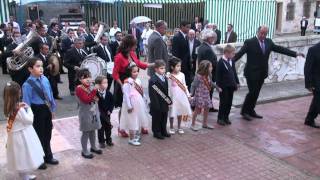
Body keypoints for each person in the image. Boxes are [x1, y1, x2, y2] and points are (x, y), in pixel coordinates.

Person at [234, 25, 304, 121]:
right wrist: (229, 61)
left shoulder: (269, 42)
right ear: (257, 32)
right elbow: (240, 53)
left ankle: (251, 110)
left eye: (265, 34)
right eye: (261, 33)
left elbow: (280, 49)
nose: (263, 35)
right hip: (251, 73)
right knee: (252, 92)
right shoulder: (250, 42)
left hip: (262, 73)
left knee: (256, 93)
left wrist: (295, 54)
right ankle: (244, 111)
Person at [112, 34, 153, 137]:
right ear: (128, 45)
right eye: (134, 45)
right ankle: (121, 128)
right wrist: (122, 85)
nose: (136, 47)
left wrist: (151, 65)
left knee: (137, 104)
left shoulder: (133, 53)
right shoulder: (119, 57)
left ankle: (141, 125)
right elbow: (115, 74)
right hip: (123, 82)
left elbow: (138, 63)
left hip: (133, 82)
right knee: (124, 106)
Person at [22, 57, 59, 170]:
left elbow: (50, 94)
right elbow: (26, 103)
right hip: (36, 111)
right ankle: (39, 159)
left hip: (46, 109)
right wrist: (28, 117)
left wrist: (52, 109)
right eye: (37, 66)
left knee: (48, 133)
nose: (41, 68)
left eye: (41, 66)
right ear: (30, 69)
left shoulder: (45, 79)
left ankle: (48, 156)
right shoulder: (27, 84)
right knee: (39, 136)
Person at [4, 81, 44, 180]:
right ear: (16, 94)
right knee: (25, 154)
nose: (21, 92)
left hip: (14, 135)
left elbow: (11, 121)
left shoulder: (9, 106)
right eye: (19, 91)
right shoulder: (19, 109)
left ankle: (24, 175)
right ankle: (25, 177)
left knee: (19, 156)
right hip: (23, 134)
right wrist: (29, 109)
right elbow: (29, 121)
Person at [75, 68, 103, 159]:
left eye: (89, 77)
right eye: (84, 77)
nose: (88, 79)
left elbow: (97, 97)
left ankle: (93, 147)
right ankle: (84, 150)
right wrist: (94, 90)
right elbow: (86, 100)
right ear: (80, 79)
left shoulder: (91, 86)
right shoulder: (79, 88)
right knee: (86, 132)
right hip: (85, 113)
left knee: (93, 130)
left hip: (93, 112)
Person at [120, 64, 150, 145]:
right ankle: (131, 139)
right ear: (129, 73)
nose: (136, 73)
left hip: (139, 103)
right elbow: (126, 95)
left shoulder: (138, 81)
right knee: (132, 120)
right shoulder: (127, 83)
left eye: (137, 71)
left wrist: (144, 97)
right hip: (132, 104)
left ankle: (136, 136)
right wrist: (129, 106)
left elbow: (140, 91)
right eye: (134, 72)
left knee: (138, 119)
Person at [190, 60, 220, 131]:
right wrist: (191, 93)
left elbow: (211, 82)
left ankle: (204, 123)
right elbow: (193, 85)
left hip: (206, 94)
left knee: (207, 108)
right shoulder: (198, 76)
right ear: (206, 68)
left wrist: (217, 87)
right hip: (199, 94)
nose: (212, 68)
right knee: (197, 110)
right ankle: (192, 124)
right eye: (210, 67)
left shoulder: (209, 75)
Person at [216, 44, 239, 126]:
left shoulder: (232, 61)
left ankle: (226, 117)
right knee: (223, 102)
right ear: (226, 53)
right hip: (223, 86)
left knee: (229, 102)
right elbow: (218, 75)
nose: (234, 55)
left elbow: (234, 72)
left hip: (231, 85)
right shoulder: (220, 62)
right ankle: (220, 118)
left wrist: (237, 82)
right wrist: (218, 86)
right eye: (232, 53)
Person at [167, 57, 192, 134]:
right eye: (177, 66)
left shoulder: (182, 75)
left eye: (180, 66)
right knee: (172, 112)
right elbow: (168, 87)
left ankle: (179, 127)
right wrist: (168, 98)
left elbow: (184, 85)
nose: (179, 67)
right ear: (172, 67)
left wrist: (188, 95)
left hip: (181, 96)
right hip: (173, 97)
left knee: (180, 111)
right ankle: (171, 127)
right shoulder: (169, 76)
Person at [149, 60, 172, 139]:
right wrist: (156, 105)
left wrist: (168, 100)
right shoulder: (153, 80)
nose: (163, 70)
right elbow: (153, 94)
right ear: (156, 69)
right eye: (161, 68)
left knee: (164, 117)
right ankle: (156, 132)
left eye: (164, 68)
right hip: (157, 102)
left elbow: (166, 90)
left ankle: (163, 130)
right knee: (157, 118)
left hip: (164, 102)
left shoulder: (164, 78)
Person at [197, 29, 219, 112]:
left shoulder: (202, 46)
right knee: (209, 91)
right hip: (208, 73)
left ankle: (209, 106)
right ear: (208, 38)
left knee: (207, 91)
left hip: (204, 72)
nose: (213, 39)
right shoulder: (207, 49)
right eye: (212, 38)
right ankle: (208, 107)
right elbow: (210, 63)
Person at [304, 42, 320, 128]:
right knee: (318, 102)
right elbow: (307, 68)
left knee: (316, 102)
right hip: (316, 82)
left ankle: (309, 119)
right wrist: (308, 84)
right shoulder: (313, 50)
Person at [172, 20, 192, 88]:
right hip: (181, 66)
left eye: (189, 27)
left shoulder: (186, 36)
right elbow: (175, 54)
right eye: (187, 27)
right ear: (182, 27)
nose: (188, 29)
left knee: (187, 85)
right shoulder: (177, 37)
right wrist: (177, 67)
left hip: (187, 66)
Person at [95, 75, 114, 148]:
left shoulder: (109, 93)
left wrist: (110, 110)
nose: (106, 84)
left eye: (107, 82)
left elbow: (112, 102)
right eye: (104, 83)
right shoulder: (95, 93)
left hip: (107, 114)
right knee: (100, 129)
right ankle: (101, 141)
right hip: (99, 114)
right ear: (99, 85)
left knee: (108, 128)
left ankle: (109, 140)